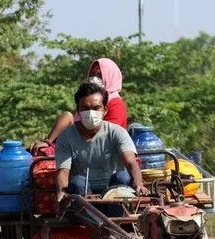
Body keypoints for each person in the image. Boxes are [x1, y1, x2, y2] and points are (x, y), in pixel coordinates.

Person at [54, 81, 147, 210]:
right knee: (77, 181)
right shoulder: (66, 136)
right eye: (85, 109)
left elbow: (131, 162)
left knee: (123, 176)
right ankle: (90, 220)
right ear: (78, 111)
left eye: (96, 108)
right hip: (84, 192)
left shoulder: (117, 132)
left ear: (105, 110)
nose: (91, 113)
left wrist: (138, 183)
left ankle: (115, 221)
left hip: (113, 191)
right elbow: (63, 171)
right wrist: (61, 192)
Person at [34, 58, 129, 152]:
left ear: (110, 77)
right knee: (67, 116)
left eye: (99, 74)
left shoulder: (116, 104)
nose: (95, 78)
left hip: (99, 147)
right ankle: (48, 143)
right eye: (92, 74)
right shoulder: (86, 100)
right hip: (78, 139)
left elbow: (108, 134)